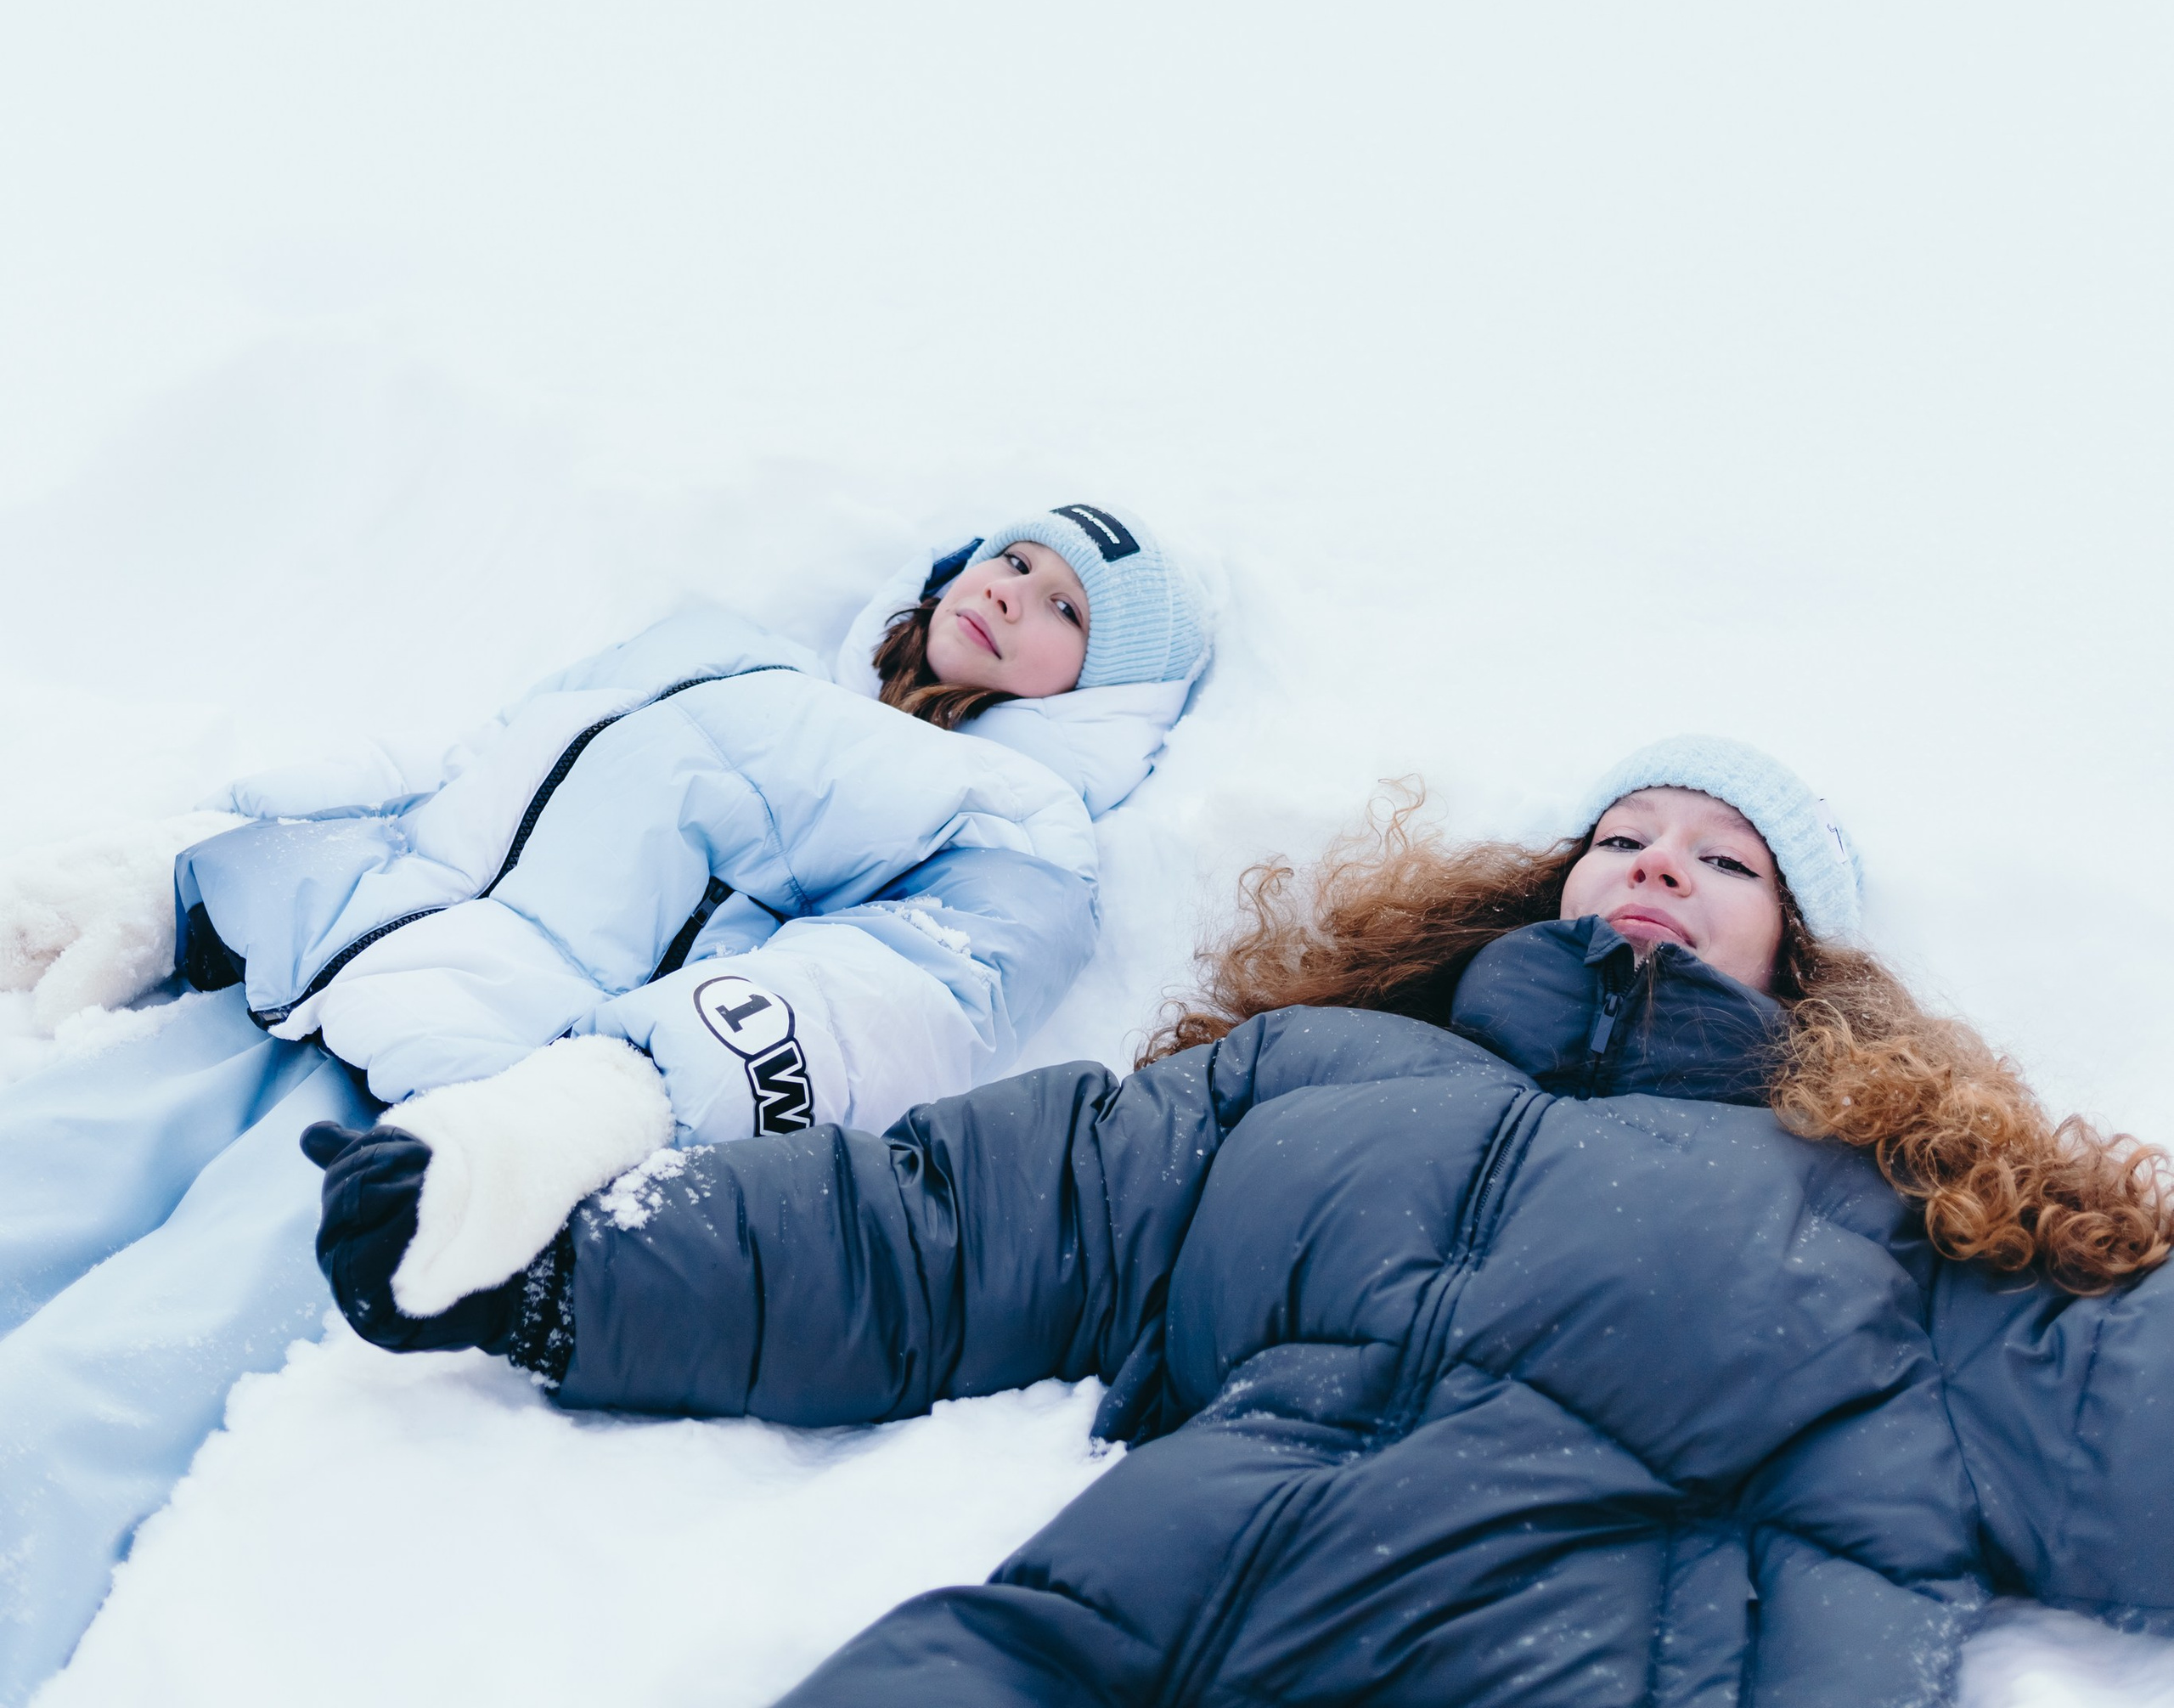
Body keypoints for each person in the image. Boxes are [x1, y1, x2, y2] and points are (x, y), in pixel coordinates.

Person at [312, 731, 2174, 1705]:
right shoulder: (1305, 1079)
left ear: (1801, 953)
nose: (1655, 869)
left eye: (1719, 859)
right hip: (1097, 1648)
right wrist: (549, 1268)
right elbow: (947, 1223)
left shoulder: (1896, 1211)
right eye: (1621, 838)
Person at [0, 499, 1212, 1704]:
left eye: (1068, 610)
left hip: (444, 1109)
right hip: (290, 988)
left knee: (86, 1394)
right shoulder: (723, 651)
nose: (1012, 591)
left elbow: (887, 1002)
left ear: (1102, 695)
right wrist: (186, 871)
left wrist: (596, 1098)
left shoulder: (1015, 834)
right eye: (1011, 558)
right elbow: (462, 778)